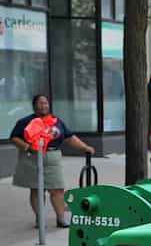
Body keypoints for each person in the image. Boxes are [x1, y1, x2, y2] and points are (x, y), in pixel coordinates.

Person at [10, 94, 94, 229]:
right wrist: (27, 147)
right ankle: (39, 219)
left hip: (53, 155)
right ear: (34, 106)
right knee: (37, 189)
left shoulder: (56, 121)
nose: (44, 106)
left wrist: (85, 147)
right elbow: (14, 138)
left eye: (46, 103)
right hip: (33, 156)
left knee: (58, 188)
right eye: (40, 103)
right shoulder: (25, 122)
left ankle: (61, 218)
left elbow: (69, 138)